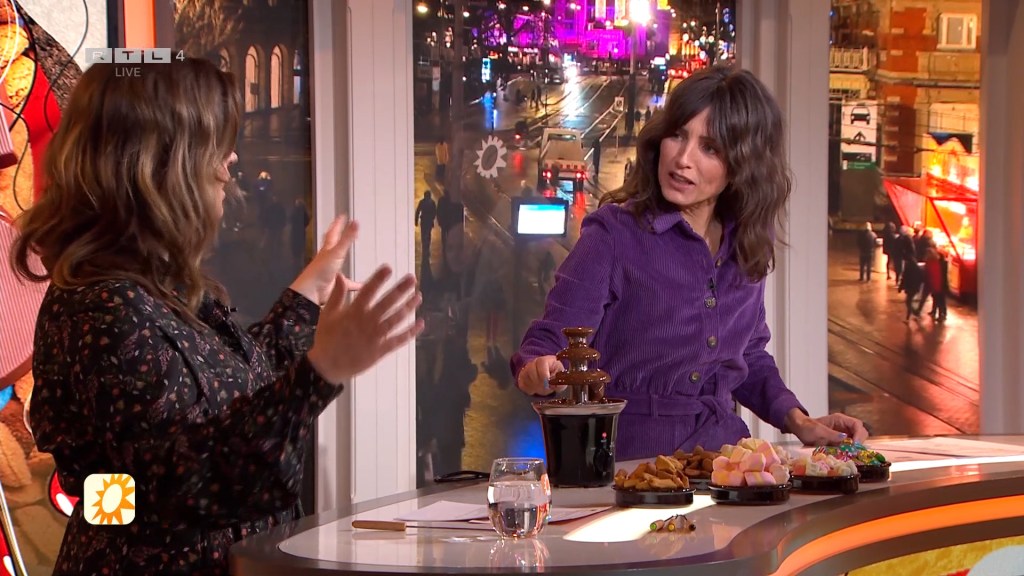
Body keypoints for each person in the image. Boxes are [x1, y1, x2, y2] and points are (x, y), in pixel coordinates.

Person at [9, 58, 423, 575]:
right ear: (160, 161)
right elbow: (197, 484)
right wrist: (323, 372)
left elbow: (230, 399)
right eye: (215, 144)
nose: (230, 160)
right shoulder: (104, 308)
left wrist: (305, 298)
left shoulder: (149, 285)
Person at [510, 65, 868, 461]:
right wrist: (537, 370)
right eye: (678, 135)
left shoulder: (744, 241)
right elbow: (548, 342)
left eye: (709, 148)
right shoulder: (612, 234)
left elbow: (748, 356)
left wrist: (799, 420)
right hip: (629, 460)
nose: (682, 159)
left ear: (742, 164)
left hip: (725, 458)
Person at [415, 190, 438, 258]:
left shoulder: (422, 202)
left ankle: (424, 246)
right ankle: (427, 246)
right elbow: (434, 212)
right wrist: (432, 218)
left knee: (423, 233)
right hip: (429, 221)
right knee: (428, 233)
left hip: (423, 220)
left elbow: (418, 211)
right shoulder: (432, 202)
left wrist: (416, 220)